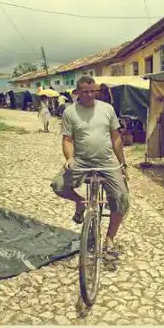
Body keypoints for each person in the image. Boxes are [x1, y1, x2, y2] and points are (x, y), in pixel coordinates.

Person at [51, 75, 129, 256]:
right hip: (81, 160)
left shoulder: (107, 109)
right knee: (58, 185)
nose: (90, 95)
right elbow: (67, 140)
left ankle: (110, 238)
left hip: (106, 161)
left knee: (122, 198)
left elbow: (116, 138)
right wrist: (69, 158)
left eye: (93, 91)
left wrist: (122, 163)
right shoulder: (70, 112)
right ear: (78, 92)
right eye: (85, 92)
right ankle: (80, 203)